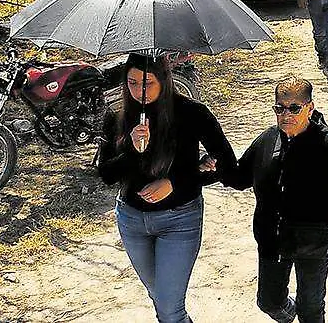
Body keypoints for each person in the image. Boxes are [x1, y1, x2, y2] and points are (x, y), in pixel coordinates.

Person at [97, 53, 237, 323]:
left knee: (170, 310)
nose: (139, 91)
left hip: (179, 220)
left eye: (147, 83)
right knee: (161, 300)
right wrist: (131, 149)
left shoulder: (191, 113)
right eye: (132, 83)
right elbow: (105, 175)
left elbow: (228, 166)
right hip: (131, 220)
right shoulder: (117, 116)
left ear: (163, 80)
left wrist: (175, 183)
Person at [222, 77, 328, 323]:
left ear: (309, 108)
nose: (285, 114)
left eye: (294, 108)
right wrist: (215, 165)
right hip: (272, 239)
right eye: (280, 108)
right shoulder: (267, 140)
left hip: (314, 243)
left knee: (310, 310)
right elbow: (240, 177)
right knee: (269, 301)